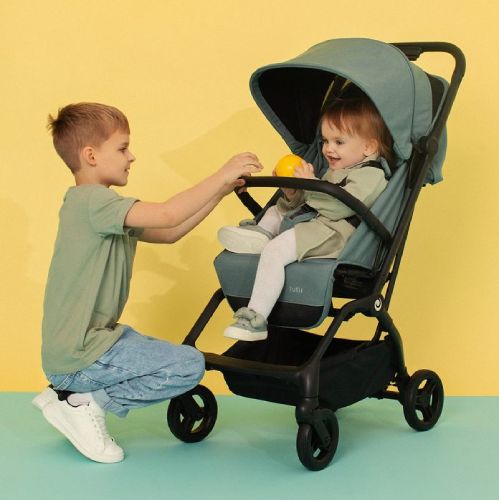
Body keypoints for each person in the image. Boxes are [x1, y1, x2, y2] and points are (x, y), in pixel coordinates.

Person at [32, 102, 262, 463]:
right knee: (189, 365)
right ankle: (85, 402)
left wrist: (220, 192)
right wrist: (221, 175)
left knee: (174, 357)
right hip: (82, 354)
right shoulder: (95, 202)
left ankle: (67, 395)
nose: (132, 156)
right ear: (91, 155)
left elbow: (169, 232)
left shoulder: (100, 208)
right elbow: (169, 213)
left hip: (86, 347)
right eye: (123, 148)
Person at [218, 90, 393, 341]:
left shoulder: (371, 175)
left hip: (334, 236)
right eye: (325, 141)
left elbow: (339, 207)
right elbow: (312, 204)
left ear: (369, 147)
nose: (328, 149)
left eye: (339, 142)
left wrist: (312, 183)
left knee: (275, 251)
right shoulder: (340, 169)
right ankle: (259, 234)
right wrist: (293, 192)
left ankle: (255, 318)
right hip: (314, 225)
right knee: (277, 210)